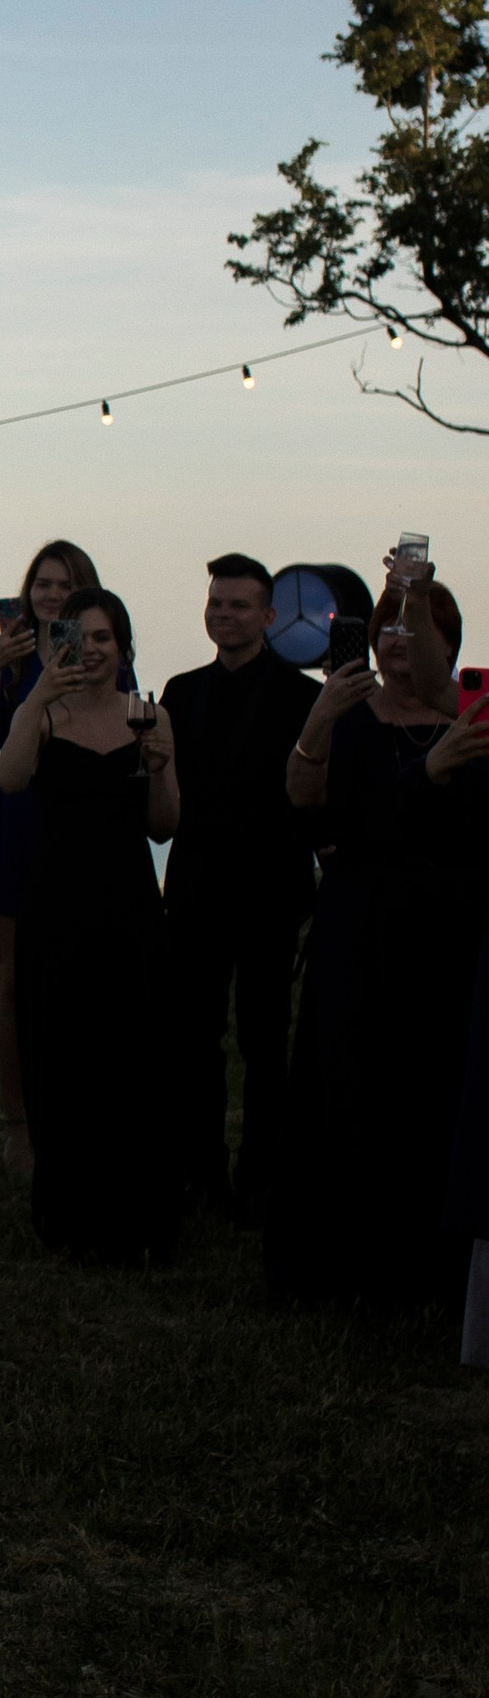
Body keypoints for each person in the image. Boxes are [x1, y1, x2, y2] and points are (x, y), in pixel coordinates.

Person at [274, 557, 489, 1318]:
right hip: (359, 929)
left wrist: (410, 592)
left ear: (446, 639)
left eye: (417, 626)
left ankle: (427, 1269)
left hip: (445, 934)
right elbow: (307, 801)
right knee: (351, 1083)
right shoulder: (353, 715)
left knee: (432, 1092)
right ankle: (346, 1263)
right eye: (386, 627)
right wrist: (320, 718)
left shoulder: (469, 722)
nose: (398, 640)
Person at [0, 586, 182, 1264]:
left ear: (124, 649)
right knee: (64, 1051)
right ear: (58, 643)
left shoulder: (148, 716)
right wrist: (39, 697)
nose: (94, 650)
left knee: (130, 1053)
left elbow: (165, 824)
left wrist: (159, 770)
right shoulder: (44, 717)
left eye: (106, 639)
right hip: (58, 901)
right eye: (82, 637)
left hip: (130, 902)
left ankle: (136, 1211)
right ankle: (67, 1209)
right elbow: (11, 781)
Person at [159, 554, 319, 1221]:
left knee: (264, 1038)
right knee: (193, 1036)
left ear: (269, 616)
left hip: (270, 889)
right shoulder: (180, 690)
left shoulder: (302, 697)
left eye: (239, 606)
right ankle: (202, 1172)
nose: (224, 614)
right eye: (216, 603)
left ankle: (260, 1176)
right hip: (195, 887)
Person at [0, 538, 104, 1182]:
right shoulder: (5, 658)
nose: (51, 594)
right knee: (13, 980)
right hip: (13, 822)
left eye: (64, 584)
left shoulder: (99, 657)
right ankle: (19, 1129)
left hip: (73, 823)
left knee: (77, 977)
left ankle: (76, 1114)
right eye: (42, 583)